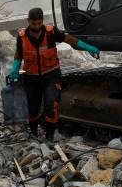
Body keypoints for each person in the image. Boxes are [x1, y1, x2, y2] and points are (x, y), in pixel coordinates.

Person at [9, 7, 100, 140]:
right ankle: (33, 134)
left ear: (42, 21)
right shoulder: (22, 37)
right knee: (32, 108)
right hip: (31, 78)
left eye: (39, 23)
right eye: (33, 24)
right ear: (28, 21)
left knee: (51, 105)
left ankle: (50, 137)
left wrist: (88, 47)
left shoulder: (51, 33)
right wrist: (14, 70)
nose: (36, 26)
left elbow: (70, 40)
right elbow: (18, 56)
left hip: (51, 75)